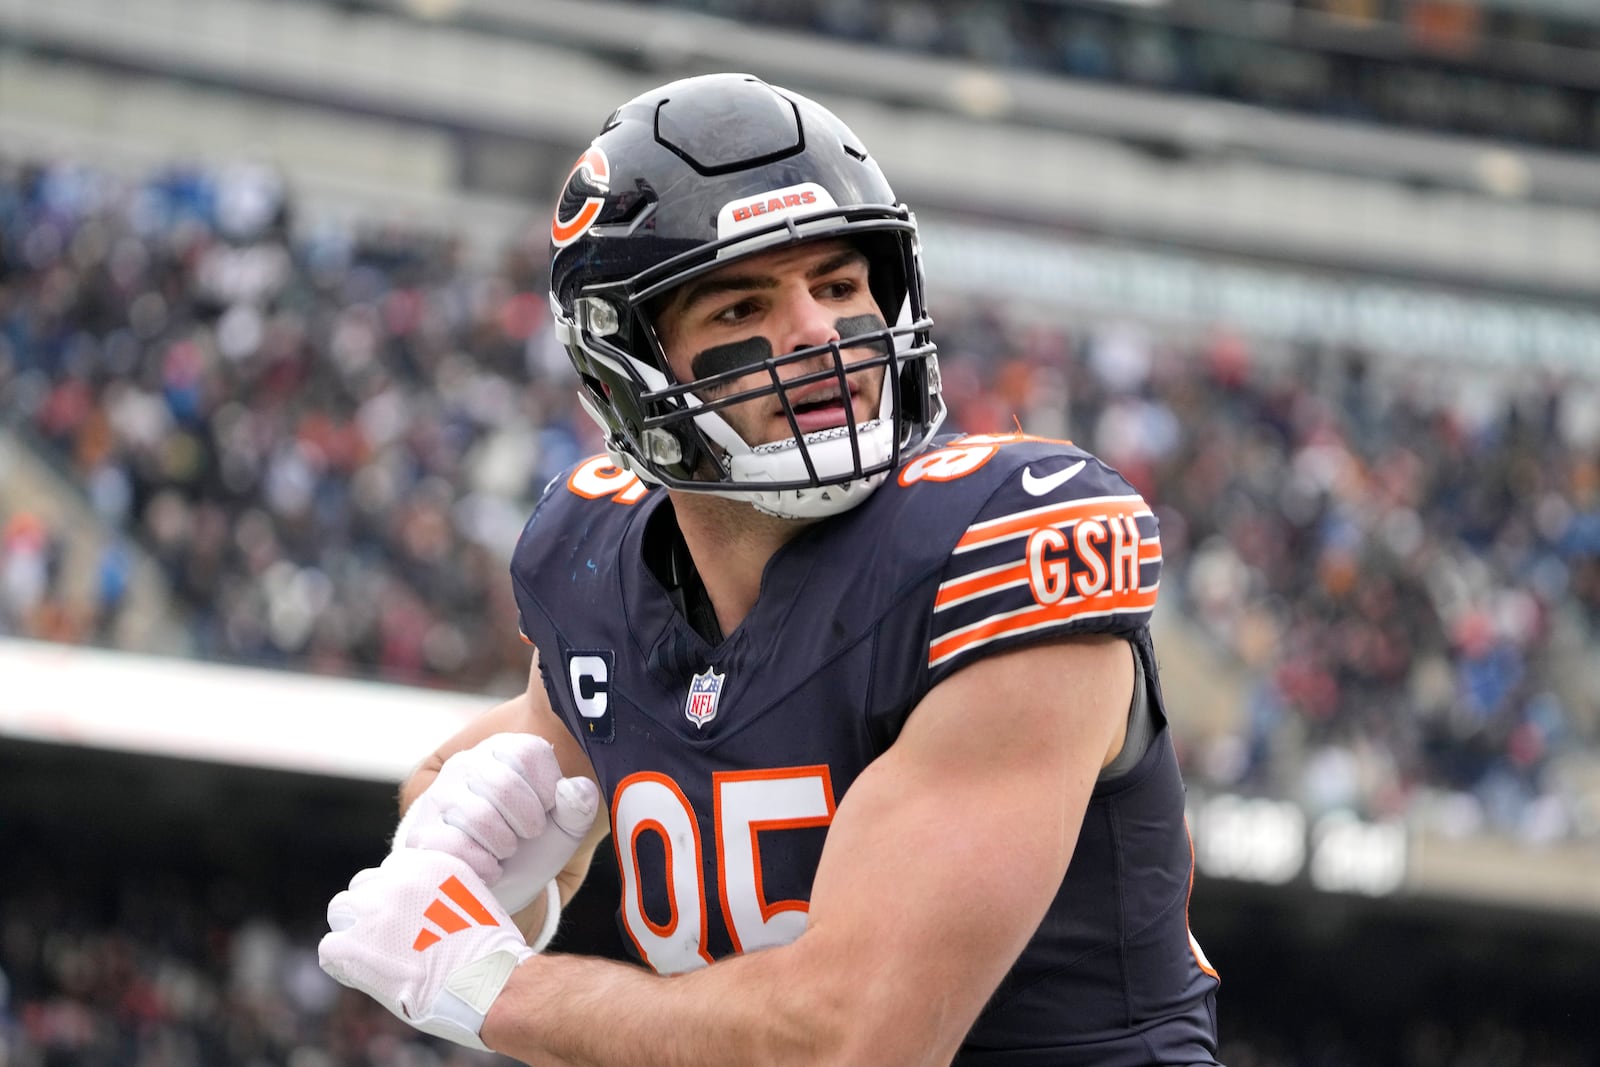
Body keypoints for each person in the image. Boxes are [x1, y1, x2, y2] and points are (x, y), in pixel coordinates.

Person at [317, 72, 1223, 1066]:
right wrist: (482, 863)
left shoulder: (998, 545)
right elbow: (479, 778)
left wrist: (494, 983)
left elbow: (850, 1037)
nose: (816, 331)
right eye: (743, 303)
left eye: (837, 285)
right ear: (625, 367)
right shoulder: (598, 565)